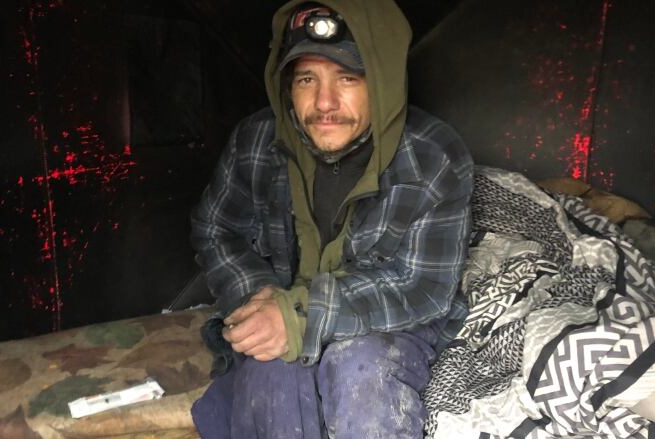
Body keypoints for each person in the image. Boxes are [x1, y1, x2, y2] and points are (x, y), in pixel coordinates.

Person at [189, 0, 473, 437]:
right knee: (270, 373)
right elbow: (217, 228)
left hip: (388, 324)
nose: (325, 102)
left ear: (382, 82)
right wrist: (259, 296)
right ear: (286, 86)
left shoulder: (433, 155)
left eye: (348, 78)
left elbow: (424, 286)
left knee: (360, 367)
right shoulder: (256, 140)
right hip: (278, 306)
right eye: (306, 79)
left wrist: (299, 314)